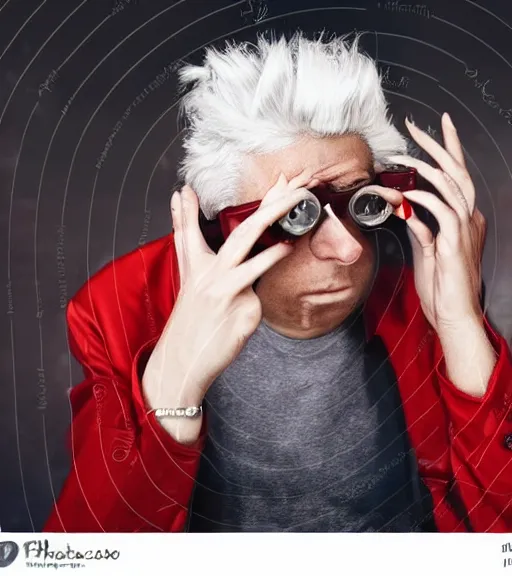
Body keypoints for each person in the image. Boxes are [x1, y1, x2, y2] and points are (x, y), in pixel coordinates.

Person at [44, 32, 512, 533]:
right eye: (296, 214)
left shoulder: (422, 286)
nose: (349, 248)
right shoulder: (121, 308)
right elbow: (87, 555)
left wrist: (461, 327)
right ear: (222, 223)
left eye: (360, 202)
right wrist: (173, 384)